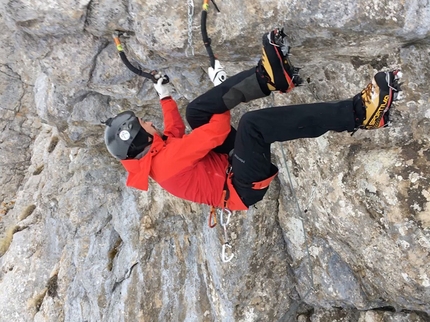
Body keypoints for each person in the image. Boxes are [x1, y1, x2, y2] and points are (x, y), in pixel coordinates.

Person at [103, 28, 402, 212]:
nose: (145, 120)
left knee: (196, 111)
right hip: (242, 185)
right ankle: (362, 114)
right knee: (252, 125)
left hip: (231, 166)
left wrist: (165, 96)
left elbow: (176, 131)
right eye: (140, 122)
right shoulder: (165, 164)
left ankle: (270, 77)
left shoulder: (157, 154)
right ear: (138, 138)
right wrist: (225, 91)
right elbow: (218, 131)